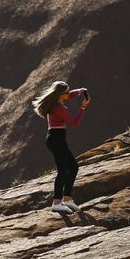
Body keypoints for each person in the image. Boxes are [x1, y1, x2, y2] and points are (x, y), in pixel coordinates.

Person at [32, 82, 90, 214]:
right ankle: (57, 203)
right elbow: (74, 123)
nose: (69, 94)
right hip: (56, 139)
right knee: (63, 170)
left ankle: (67, 199)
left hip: (57, 139)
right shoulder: (58, 108)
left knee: (73, 167)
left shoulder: (57, 101)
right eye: (67, 92)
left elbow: (69, 96)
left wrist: (80, 90)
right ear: (60, 94)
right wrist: (83, 108)